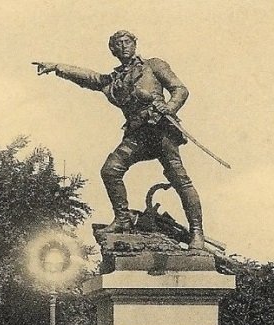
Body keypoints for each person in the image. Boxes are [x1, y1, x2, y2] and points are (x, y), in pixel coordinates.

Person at [36, 31, 206, 250]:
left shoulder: (154, 66)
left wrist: (170, 106)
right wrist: (57, 66)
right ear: (113, 50)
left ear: (135, 44)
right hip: (138, 134)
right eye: (119, 44)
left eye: (128, 42)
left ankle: (197, 233)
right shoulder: (115, 80)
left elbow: (180, 89)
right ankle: (123, 219)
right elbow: (90, 78)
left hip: (162, 131)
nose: (124, 46)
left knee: (180, 180)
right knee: (110, 170)